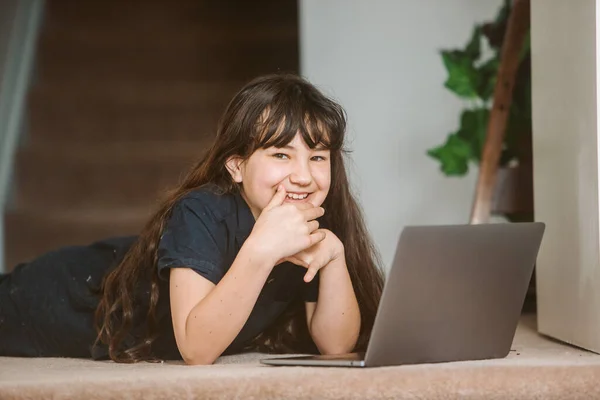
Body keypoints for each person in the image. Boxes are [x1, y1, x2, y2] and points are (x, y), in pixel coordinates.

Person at [0, 74, 384, 364]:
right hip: (60, 299)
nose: (304, 175)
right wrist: (260, 251)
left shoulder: (310, 224)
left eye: (318, 157)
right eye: (280, 155)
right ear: (237, 166)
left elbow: (336, 347)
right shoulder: (201, 211)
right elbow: (197, 348)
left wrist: (334, 260)